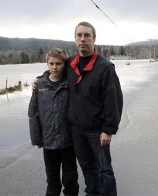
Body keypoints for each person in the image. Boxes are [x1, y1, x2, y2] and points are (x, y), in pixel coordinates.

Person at [67, 21, 123, 196]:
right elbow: (53, 71)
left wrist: (108, 129)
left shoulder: (105, 67)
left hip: (97, 131)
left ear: (94, 39)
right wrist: (39, 81)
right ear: (75, 39)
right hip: (76, 130)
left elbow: (114, 100)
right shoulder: (70, 64)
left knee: (104, 169)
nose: (83, 39)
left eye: (87, 35)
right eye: (79, 35)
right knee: (87, 168)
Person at [28, 47, 79, 196]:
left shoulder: (70, 83)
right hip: (48, 142)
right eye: (51, 63)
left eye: (59, 63)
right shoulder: (39, 85)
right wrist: (36, 138)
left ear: (65, 64)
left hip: (68, 141)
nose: (55, 67)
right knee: (52, 182)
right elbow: (33, 113)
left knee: (70, 181)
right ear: (47, 64)